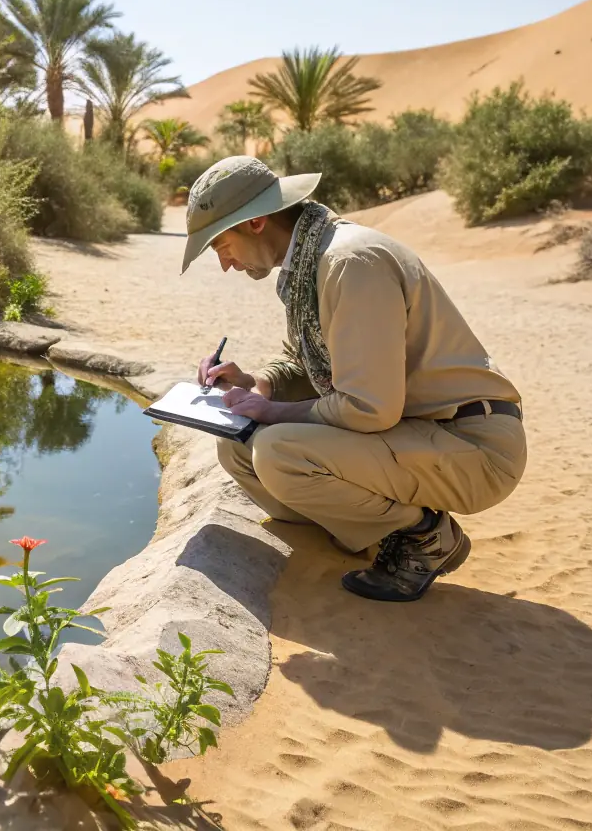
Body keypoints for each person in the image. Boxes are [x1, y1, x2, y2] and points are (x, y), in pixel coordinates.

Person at [181, 156, 526, 602]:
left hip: (472, 447)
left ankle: (425, 537)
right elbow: (306, 361)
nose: (225, 264)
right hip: (416, 433)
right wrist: (256, 384)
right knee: (236, 444)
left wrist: (274, 412)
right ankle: (371, 533)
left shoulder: (350, 264)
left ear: (258, 222)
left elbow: (369, 407)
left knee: (277, 453)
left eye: (220, 245)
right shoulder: (310, 260)